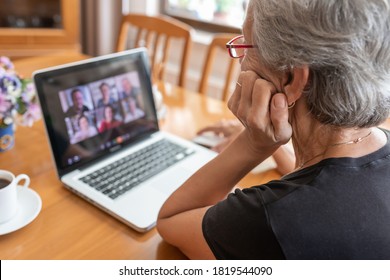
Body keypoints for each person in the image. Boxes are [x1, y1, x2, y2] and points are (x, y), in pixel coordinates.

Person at [157, 0, 390, 260]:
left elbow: (171, 219)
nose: (241, 62)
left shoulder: (270, 219)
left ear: (291, 78)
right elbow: (328, 181)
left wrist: (255, 143)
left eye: (246, 45)